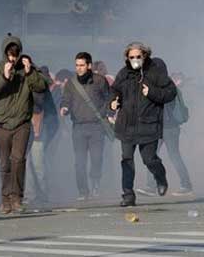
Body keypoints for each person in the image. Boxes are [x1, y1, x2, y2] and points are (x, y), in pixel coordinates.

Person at [0, 33, 47, 214]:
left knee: (18, 160)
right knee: (5, 163)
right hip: (2, 123)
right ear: (5, 54)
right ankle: (5, 199)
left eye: (15, 54)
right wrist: (4, 76)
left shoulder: (27, 68)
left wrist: (29, 72)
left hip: (22, 122)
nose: (13, 58)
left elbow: (41, 86)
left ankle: (17, 197)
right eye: (10, 54)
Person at [110, 42, 177, 207]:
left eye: (138, 56)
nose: (134, 60)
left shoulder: (155, 72)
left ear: (145, 56)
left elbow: (171, 92)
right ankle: (128, 195)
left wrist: (152, 92)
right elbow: (114, 90)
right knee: (126, 160)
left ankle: (160, 178)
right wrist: (113, 102)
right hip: (126, 125)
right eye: (131, 57)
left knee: (149, 159)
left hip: (148, 125)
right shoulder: (123, 73)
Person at [60, 52, 110, 200]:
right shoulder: (71, 83)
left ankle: (95, 184)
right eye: (77, 65)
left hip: (96, 127)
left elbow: (109, 98)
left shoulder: (100, 81)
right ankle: (83, 191)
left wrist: (107, 113)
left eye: (82, 65)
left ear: (89, 65)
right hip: (78, 127)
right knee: (79, 162)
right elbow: (66, 99)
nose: (79, 68)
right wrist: (64, 108)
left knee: (96, 159)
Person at [137, 71, 193, 197]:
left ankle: (186, 185)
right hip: (159, 127)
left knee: (173, 155)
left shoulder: (168, 89)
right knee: (151, 156)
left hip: (169, 128)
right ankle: (150, 186)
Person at [25, 66, 59, 205]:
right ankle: (31, 194)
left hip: (38, 130)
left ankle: (42, 194)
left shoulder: (41, 89)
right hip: (30, 130)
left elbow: (45, 111)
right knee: (28, 164)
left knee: (37, 164)